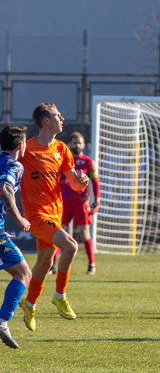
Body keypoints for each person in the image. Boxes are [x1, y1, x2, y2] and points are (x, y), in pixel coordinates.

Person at [18, 103, 89, 331]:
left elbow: (75, 185)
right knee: (71, 246)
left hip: (55, 213)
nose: (63, 118)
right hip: (36, 215)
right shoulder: (26, 150)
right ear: (46, 120)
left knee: (45, 262)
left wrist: (81, 183)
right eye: (58, 115)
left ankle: (29, 304)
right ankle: (60, 296)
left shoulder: (62, 149)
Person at [0, 125, 33, 349]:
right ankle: (2, 322)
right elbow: (4, 188)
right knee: (23, 273)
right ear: (21, 145)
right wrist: (19, 218)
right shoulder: (14, 165)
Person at [49, 132, 101, 275]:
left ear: (84, 145)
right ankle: (52, 266)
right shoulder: (65, 161)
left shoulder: (89, 162)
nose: (77, 145)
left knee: (84, 234)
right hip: (64, 202)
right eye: (74, 142)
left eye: (79, 142)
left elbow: (95, 182)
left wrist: (97, 199)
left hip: (81, 203)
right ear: (70, 144)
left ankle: (91, 265)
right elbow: (56, 181)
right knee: (60, 233)